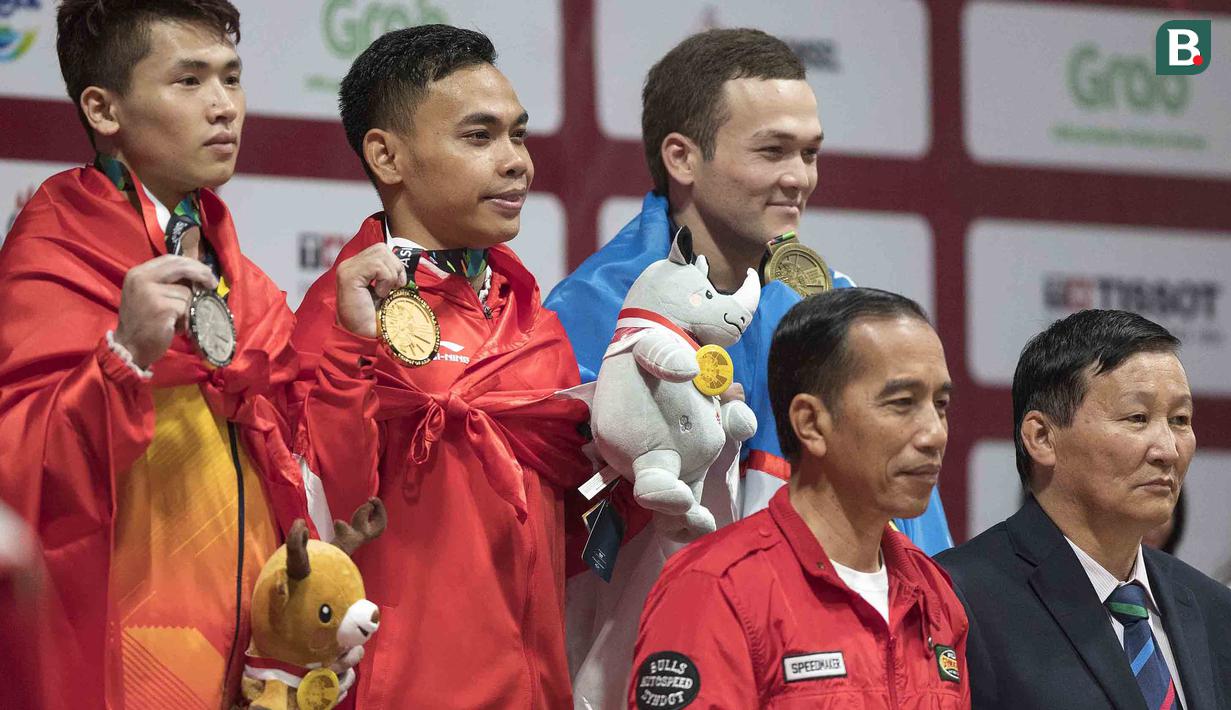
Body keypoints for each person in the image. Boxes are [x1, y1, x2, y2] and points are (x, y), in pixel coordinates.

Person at [546, 28, 952, 706]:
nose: (799, 177)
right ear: (682, 156)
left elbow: (911, 534)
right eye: (772, 151)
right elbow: (548, 554)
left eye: (809, 152)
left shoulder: (836, 313)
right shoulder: (591, 317)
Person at [0, 1, 312, 706]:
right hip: (125, 669)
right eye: (189, 81)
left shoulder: (244, 279)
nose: (223, 107)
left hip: (247, 672)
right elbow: (17, 475)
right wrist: (124, 359)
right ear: (103, 109)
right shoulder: (57, 252)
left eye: (231, 79)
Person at [291, 26, 592, 707]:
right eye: (478, 137)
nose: (516, 162)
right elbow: (321, 514)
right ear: (387, 155)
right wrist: (348, 348)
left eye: (517, 134)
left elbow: (574, 531)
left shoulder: (531, 315)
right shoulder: (340, 315)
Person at [628, 288, 969, 708]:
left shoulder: (934, 590)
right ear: (810, 423)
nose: (935, 433)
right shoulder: (715, 587)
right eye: (902, 403)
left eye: (942, 404)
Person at [936, 309, 1231, 709]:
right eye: (1137, 418)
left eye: (1180, 419)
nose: (1168, 449)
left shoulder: (1212, 607)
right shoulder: (956, 597)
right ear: (1041, 437)